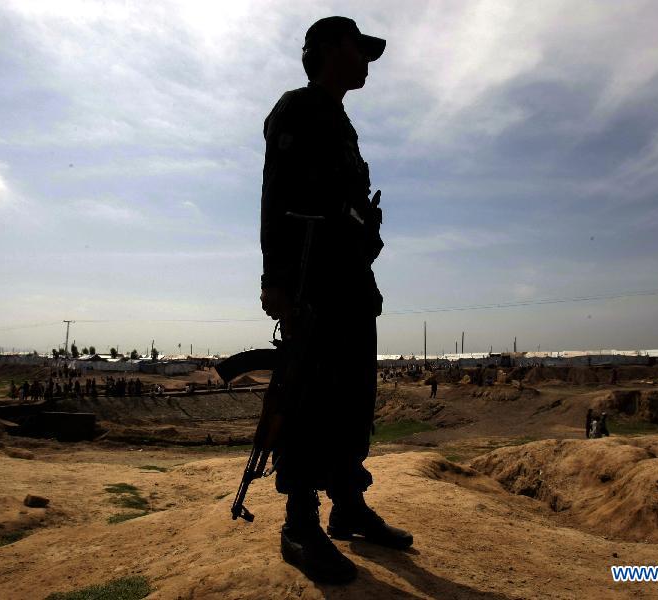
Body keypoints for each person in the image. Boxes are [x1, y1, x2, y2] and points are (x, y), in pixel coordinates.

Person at [258, 16, 410, 584]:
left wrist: (366, 230)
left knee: (352, 400)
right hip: (311, 282)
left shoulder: (342, 123)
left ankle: (348, 505)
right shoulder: (296, 109)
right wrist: (276, 284)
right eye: (359, 49)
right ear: (327, 50)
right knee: (308, 402)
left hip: (350, 284)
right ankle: (301, 524)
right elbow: (275, 198)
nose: (367, 61)